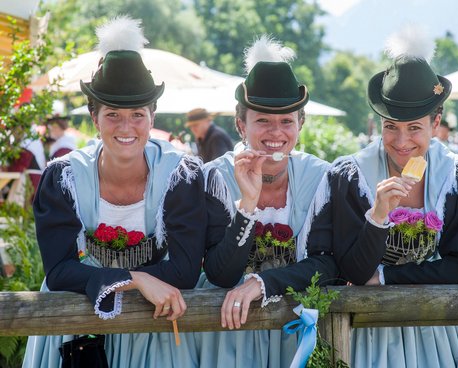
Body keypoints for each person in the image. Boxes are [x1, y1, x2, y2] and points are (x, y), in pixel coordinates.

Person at [23, 16, 206, 367]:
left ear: (153, 116)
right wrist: (136, 278)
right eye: (113, 115)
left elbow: (184, 271)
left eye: (137, 114)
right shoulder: (64, 177)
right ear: (94, 118)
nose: (126, 127)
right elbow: (59, 272)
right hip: (77, 320)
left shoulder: (179, 175)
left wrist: (116, 281)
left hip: (150, 324)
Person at [313, 26, 458, 366]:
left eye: (414, 128)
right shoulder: (351, 176)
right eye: (390, 126)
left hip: (440, 329)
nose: (401, 141)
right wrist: (377, 216)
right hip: (367, 330)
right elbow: (351, 269)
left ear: (435, 123)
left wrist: (386, 276)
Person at [186, 35, 339, 367]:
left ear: (301, 123)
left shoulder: (321, 178)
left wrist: (262, 283)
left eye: (287, 121)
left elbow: (328, 263)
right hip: (228, 332)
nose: (276, 132)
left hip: (297, 330)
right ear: (242, 125)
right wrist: (248, 205)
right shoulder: (214, 179)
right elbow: (220, 274)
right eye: (263, 121)